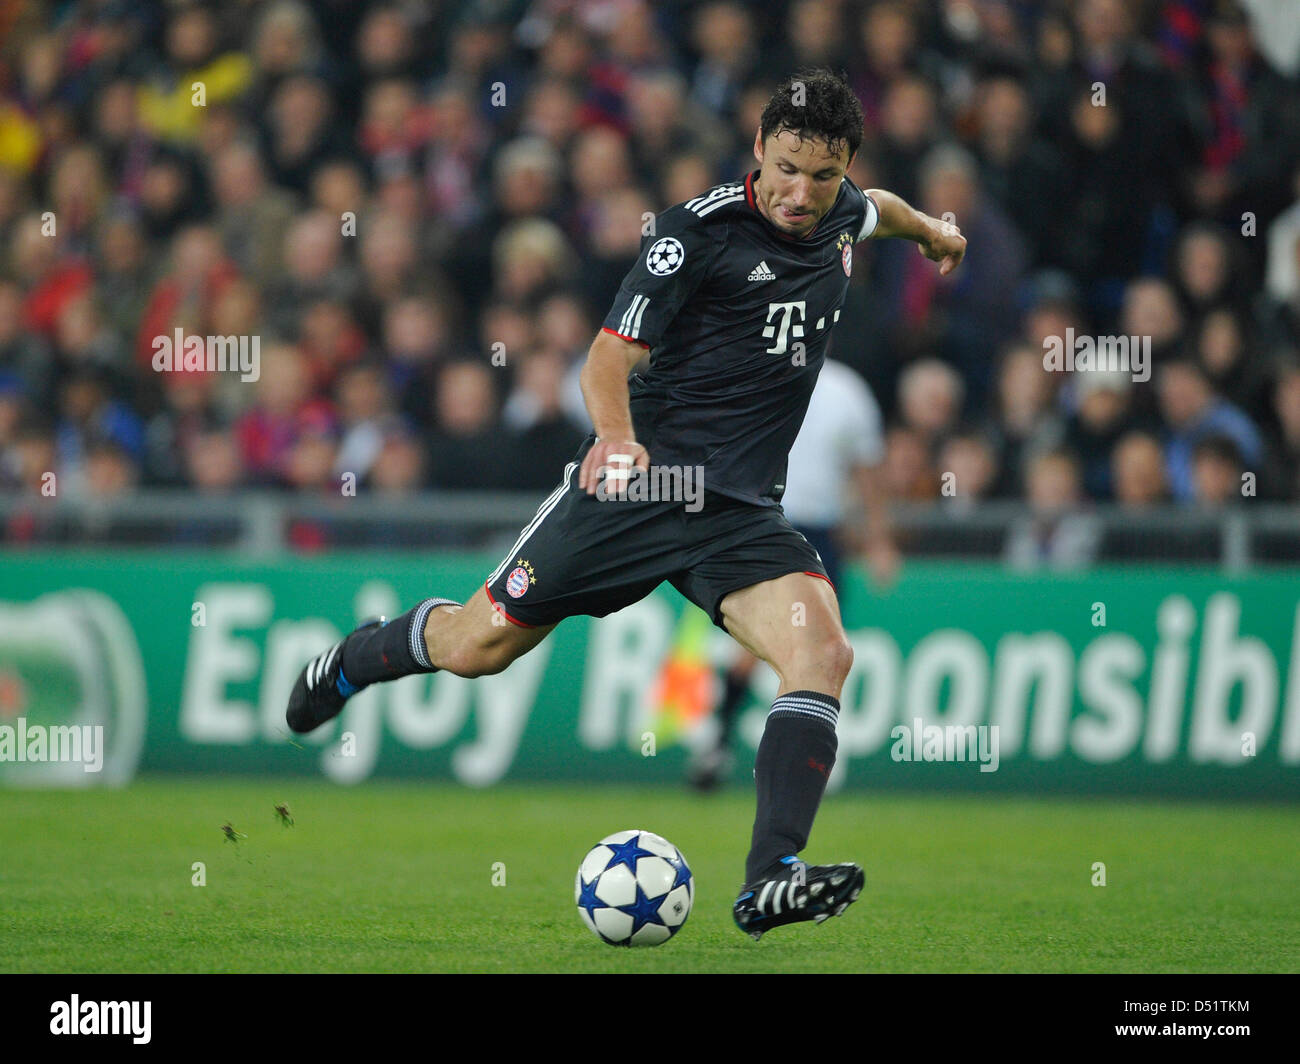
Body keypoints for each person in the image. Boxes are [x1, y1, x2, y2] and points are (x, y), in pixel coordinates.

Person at [285, 69, 966, 940]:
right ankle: (351, 661)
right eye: (787, 168)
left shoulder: (842, 210)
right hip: (639, 486)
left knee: (824, 650)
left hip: (738, 511)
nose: (801, 194)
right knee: (475, 646)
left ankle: (771, 876)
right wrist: (615, 439)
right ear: (759, 149)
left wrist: (934, 233)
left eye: (822, 175)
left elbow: (884, 209)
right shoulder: (695, 233)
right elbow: (606, 360)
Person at [685, 356, 899, 792]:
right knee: (763, 643)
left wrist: (877, 540)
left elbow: (867, 474)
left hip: (821, 531)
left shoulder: (846, 392)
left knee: (820, 649)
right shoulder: (757, 372)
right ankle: (726, 742)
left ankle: (784, 751)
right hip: (765, 522)